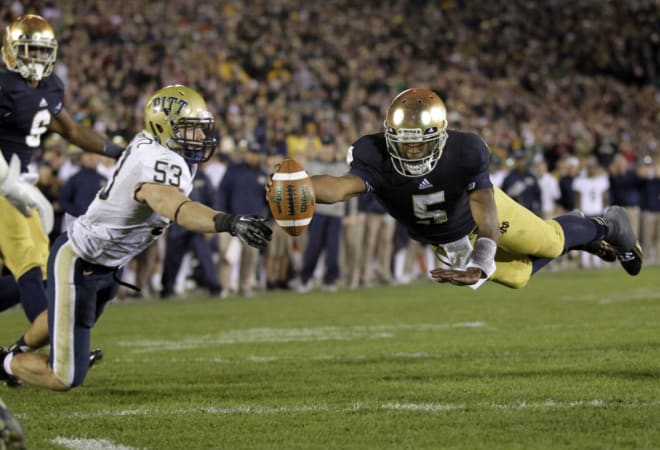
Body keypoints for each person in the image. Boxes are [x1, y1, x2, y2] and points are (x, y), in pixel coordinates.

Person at [0, 84, 272, 391]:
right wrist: (228, 222)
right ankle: (5, 363)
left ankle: (16, 353)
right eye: (190, 129)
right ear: (164, 127)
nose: (200, 137)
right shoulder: (159, 162)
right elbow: (174, 206)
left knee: (62, 319)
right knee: (64, 378)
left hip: (106, 264)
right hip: (81, 259)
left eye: (200, 128)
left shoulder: (156, 144)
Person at [268, 88, 642, 290]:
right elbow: (339, 187)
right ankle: (584, 235)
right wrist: (299, 186)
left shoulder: (465, 151)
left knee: (551, 243)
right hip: (446, 240)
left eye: (420, 141)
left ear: (440, 135)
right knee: (519, 278)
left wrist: (481, 264)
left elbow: (487, 217)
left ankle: (607, 227)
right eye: (403, 141)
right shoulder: (374, 154)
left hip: (483, 217)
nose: (411, 149)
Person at [0, 15, 124, 323]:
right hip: (5, 184)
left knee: (40, 272)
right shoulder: (4, 86)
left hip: (19, 184)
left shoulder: (50, 87)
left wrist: (119, 152)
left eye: (43, 51)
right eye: (30, 50)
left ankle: (40, 345)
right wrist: (6, 181)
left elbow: (72, 131)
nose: (38, 59)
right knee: (28, 262)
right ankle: (53, 346)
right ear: (12, 51)